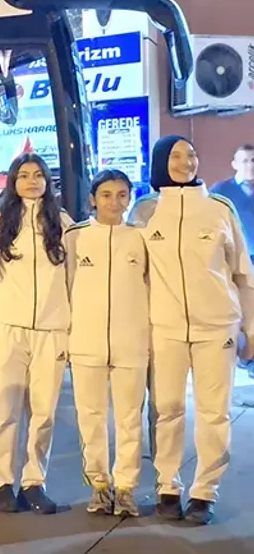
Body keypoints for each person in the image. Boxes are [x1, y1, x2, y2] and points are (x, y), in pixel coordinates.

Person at [128, 136, 254, 525]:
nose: (186, 162)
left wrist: (251, 329)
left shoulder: (219, 208)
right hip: (164, 328)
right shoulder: (145, 211)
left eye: (192, 155)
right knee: (167, 408)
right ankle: (167, 486)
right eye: (177, 156)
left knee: (214, 412)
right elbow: (132, 275)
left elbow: (243, 273)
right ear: (160, 161)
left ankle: (204, 492)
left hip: (218, 326)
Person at [0, 153, 74, 515]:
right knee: (6, 409)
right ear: (13, 181)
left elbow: (74, 278)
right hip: (7, 326)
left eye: (38, 175)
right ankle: (2, 482)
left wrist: (70, 325)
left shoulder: (63, 223)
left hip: (52, 329)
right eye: (24, 175)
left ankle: (34, 482)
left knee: (43, 412)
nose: (32, 181)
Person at [64, 169, 148, 518]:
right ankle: (99, 485)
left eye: (122, 195)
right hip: (86, 341)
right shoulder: (75, 237)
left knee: (129, 418)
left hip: (132, 342)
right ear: (93, 199)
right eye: (107, 195)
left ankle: (126, 487)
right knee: (91, 417)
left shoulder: (141, 237)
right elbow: (65, 287)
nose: (115, 202)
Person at [210, 143, 254, 253]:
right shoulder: (220, 191)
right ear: (235, 165)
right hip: (234, 256)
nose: (250, 165)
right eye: (245, 161)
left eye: (253, 160)